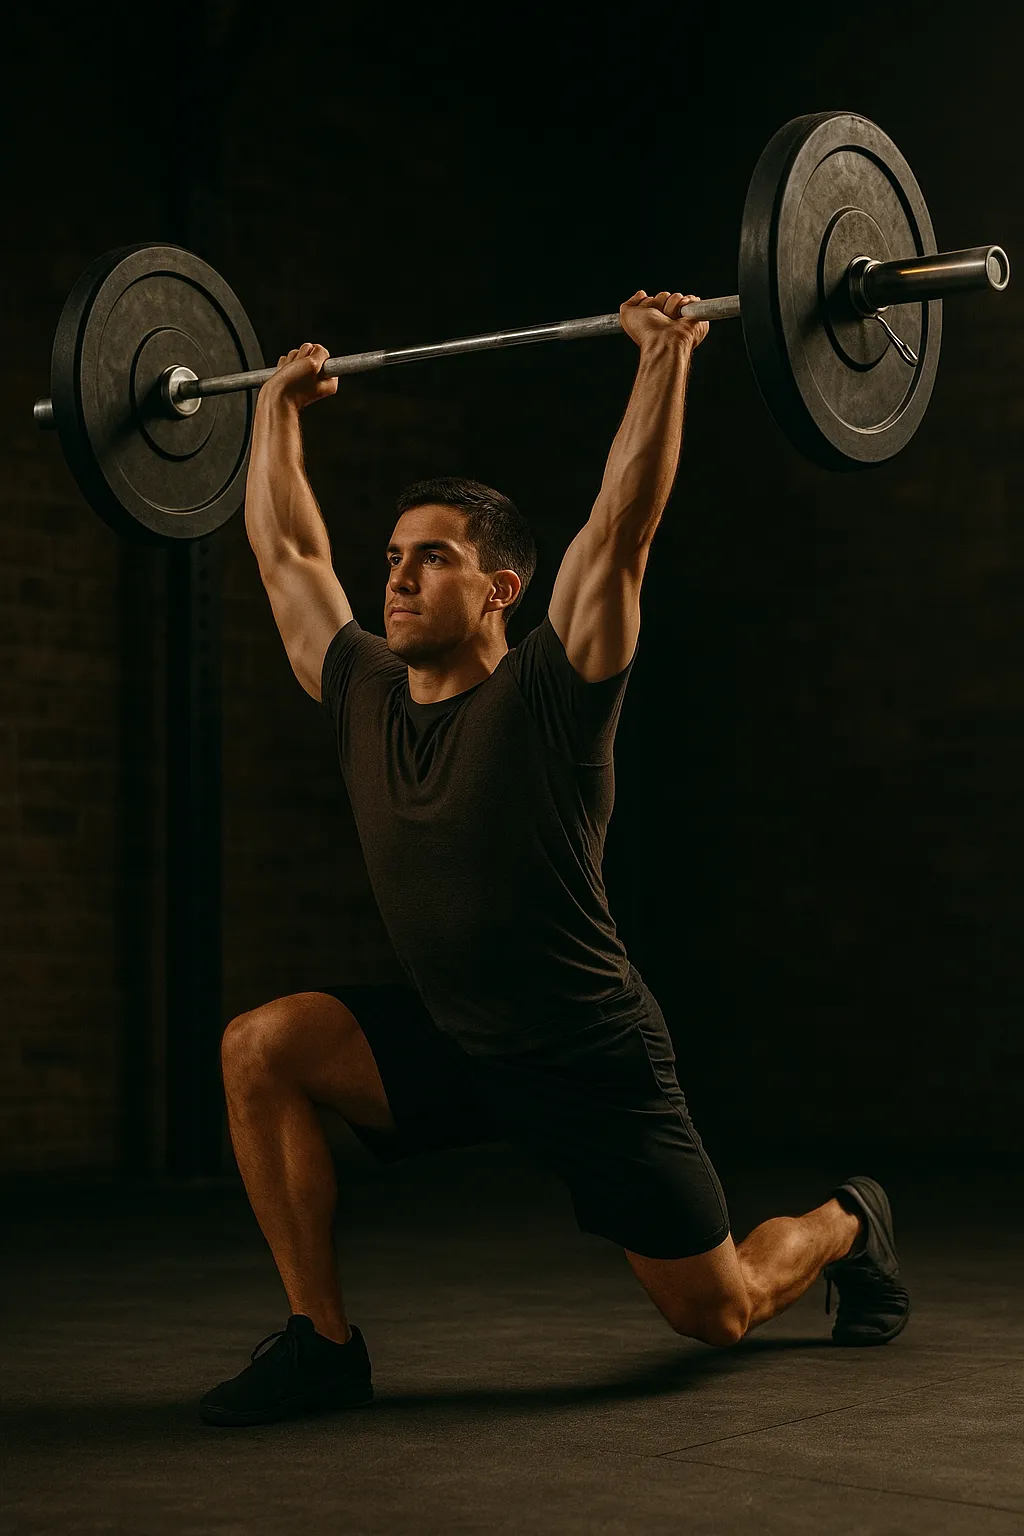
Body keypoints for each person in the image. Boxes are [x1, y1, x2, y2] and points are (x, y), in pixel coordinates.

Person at [199, 291, 910, 1428]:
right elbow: (287, 551)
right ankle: (321, 1345)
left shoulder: (550, 695)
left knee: (716, 1309)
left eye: (429, 561)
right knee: (260, 1048)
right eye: (392, 558)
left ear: (500, 591)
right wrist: (273, 413)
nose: (395, 578)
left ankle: (845, 1223)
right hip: (457, 1037)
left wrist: (666, 360)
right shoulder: (363, 692)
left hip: (586, 1059)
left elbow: (621, 532)